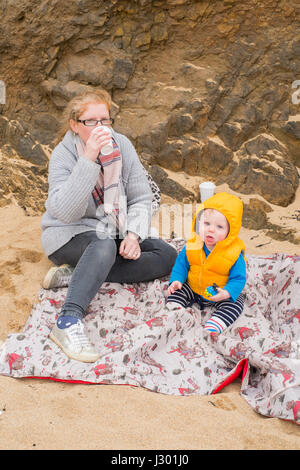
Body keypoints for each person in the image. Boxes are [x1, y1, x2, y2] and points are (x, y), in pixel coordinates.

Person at [41, 89, 177, 362]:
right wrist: (88, 160)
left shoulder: (122, 145)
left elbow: (141, 196)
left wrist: (133, 235)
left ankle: (78, 274)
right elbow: (67, 212)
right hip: (68, 234)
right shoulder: (63, 155)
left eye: (105, 120)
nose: (100, 127)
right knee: (102, 245)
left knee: (168, 255)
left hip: (112, 226)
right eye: (91, 121)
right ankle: (67, 322)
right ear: (75, 125)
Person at [166, 192, 246, 334]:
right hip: (194, 286)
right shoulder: (193, 244)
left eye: (219, 227)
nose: (210, 229)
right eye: (206, 223)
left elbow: (239, 278)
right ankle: (174, 313)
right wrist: (176, 280)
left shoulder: (234, 254)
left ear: (230, 231)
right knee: (176, 291)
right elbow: (181, 264)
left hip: (218, 291)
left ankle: (214, 325)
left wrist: (227, 292)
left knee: (236, 303)